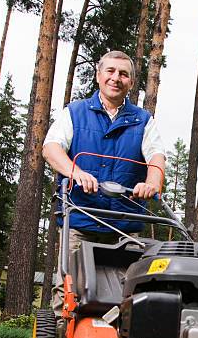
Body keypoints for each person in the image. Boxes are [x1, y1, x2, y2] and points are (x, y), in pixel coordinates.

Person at [42, 50, 166, 318]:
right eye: (110, 71)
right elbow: (51, 148)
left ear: (131, 83)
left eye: (123, 74)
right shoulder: (75, 112)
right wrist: (75, 172)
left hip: (124, 222)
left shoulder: (143, 120)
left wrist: (151, 183)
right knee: (69, 288)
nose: (116, 78)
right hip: (81, 218)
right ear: (99, 76)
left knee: (132, 291)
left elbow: (156, 156)